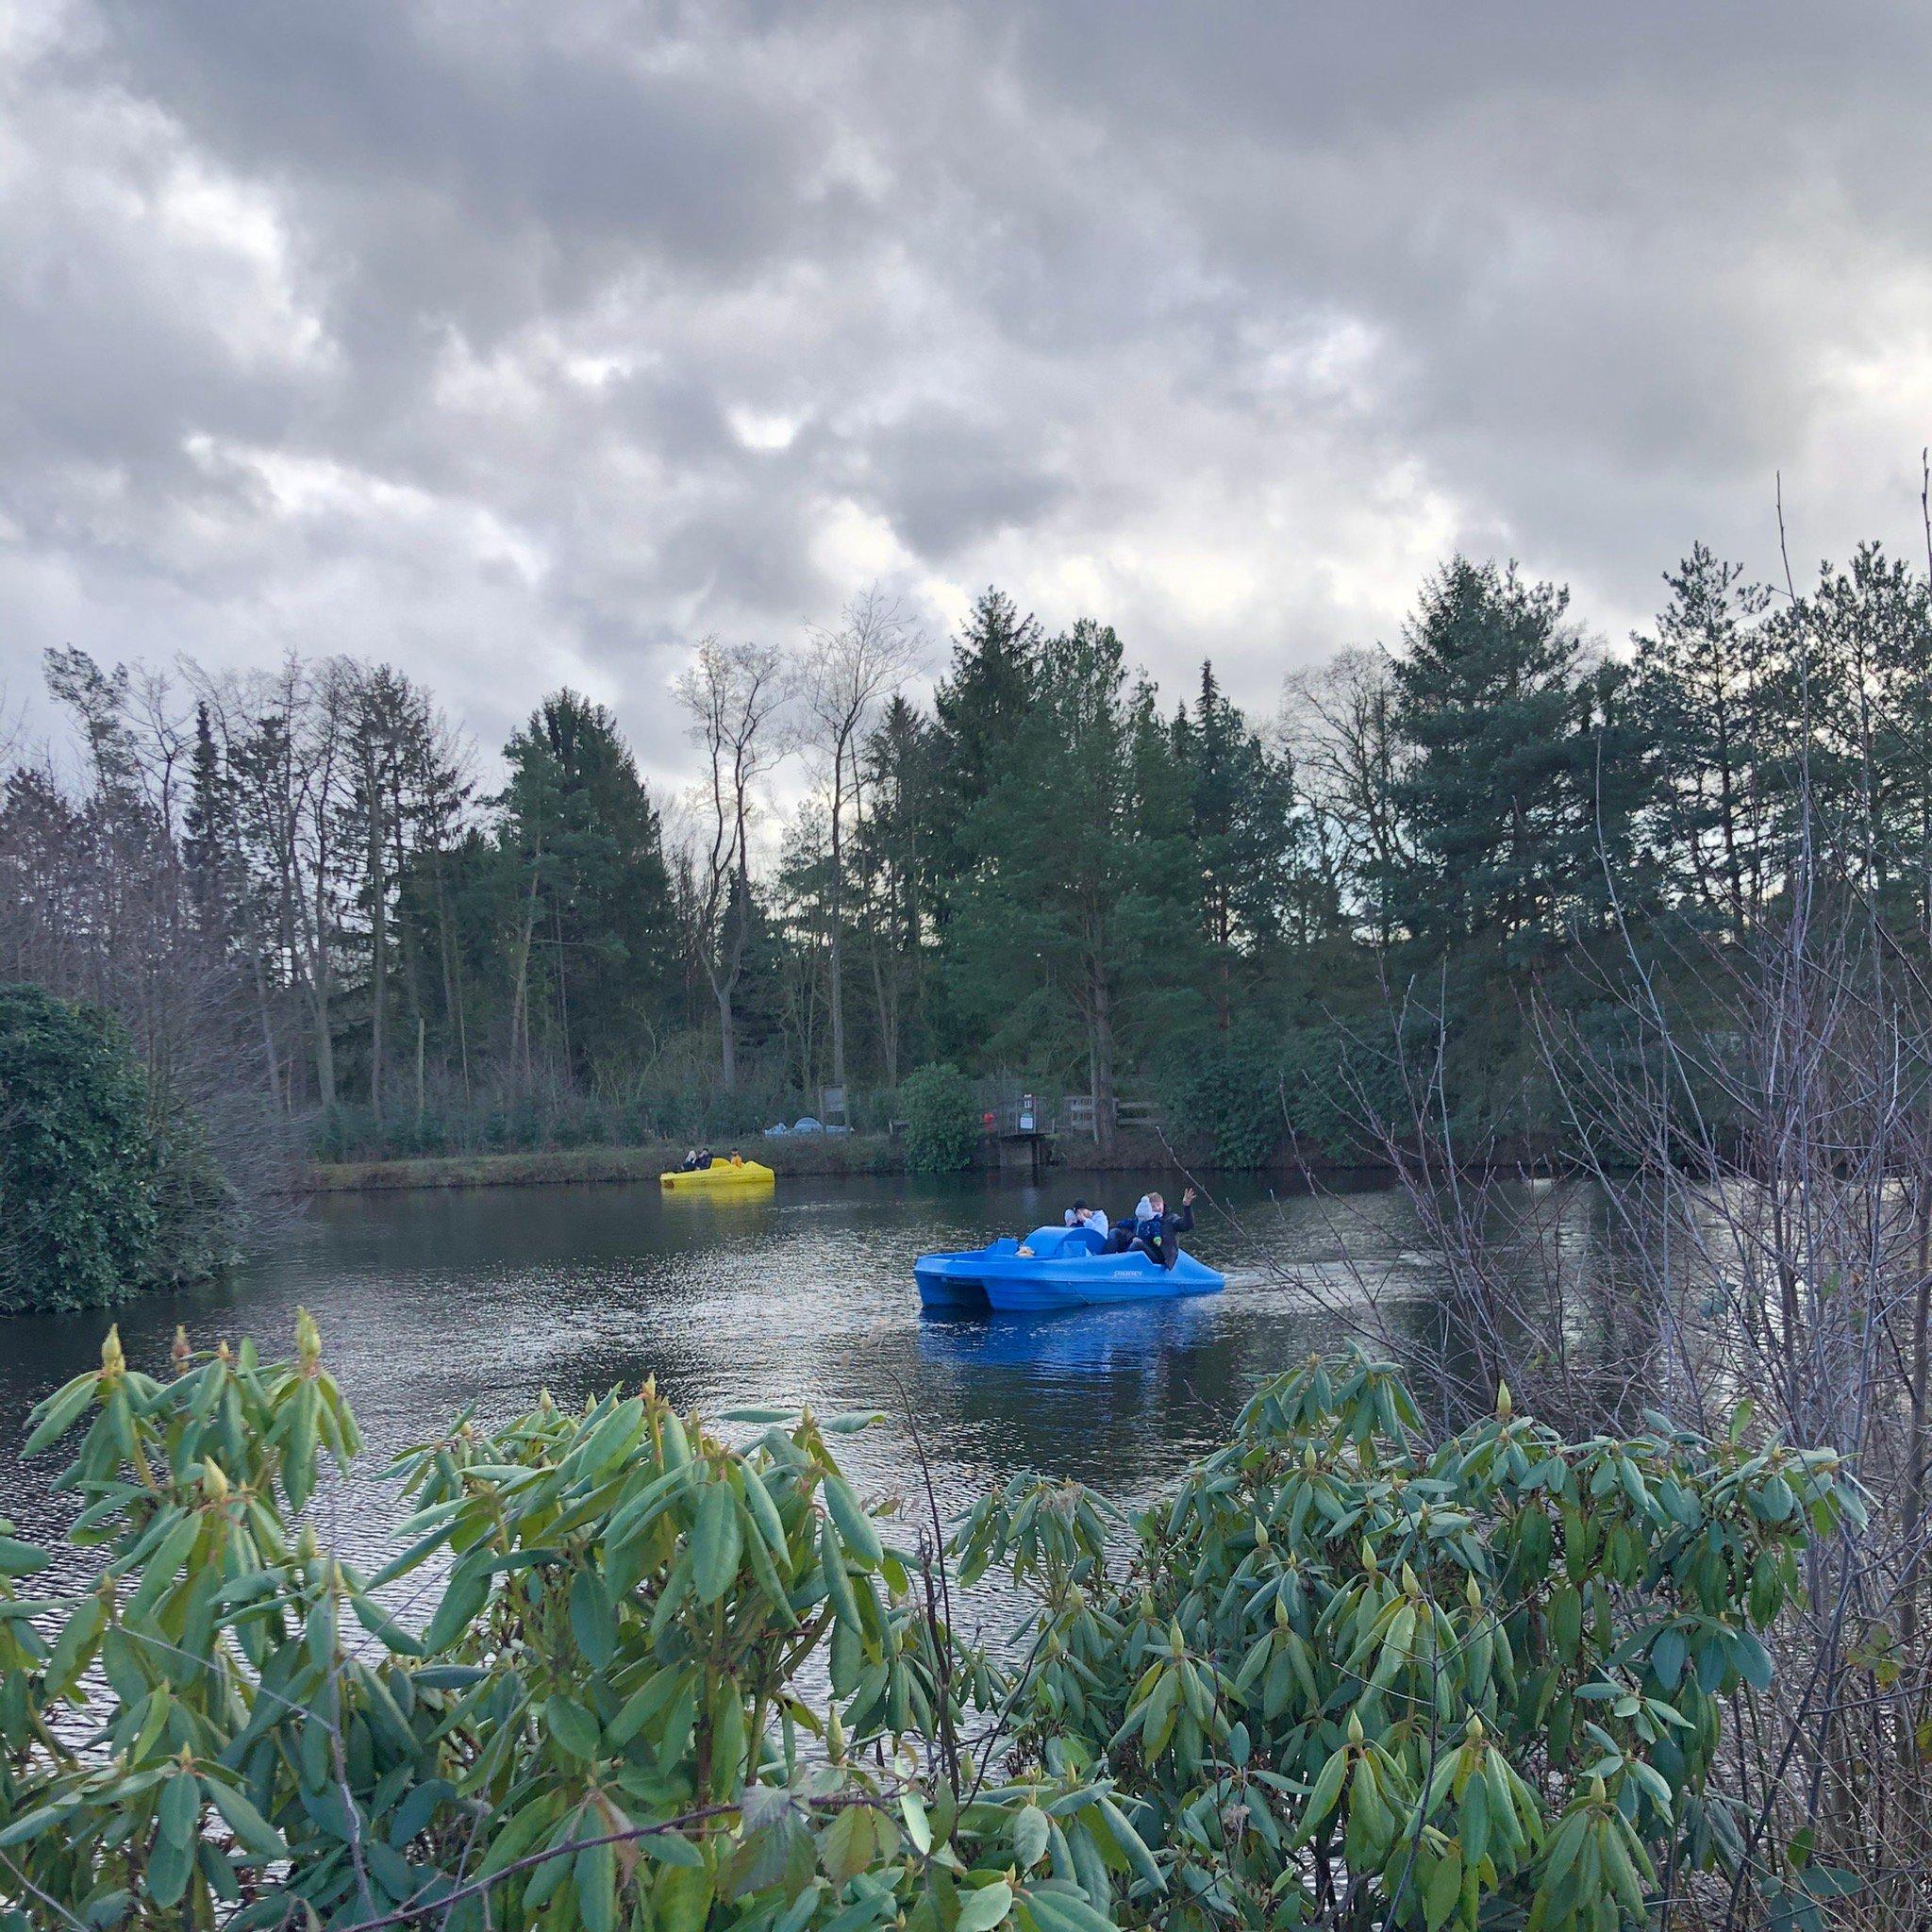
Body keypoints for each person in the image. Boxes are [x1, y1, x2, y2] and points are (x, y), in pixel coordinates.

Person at [1110, 1188, 1197, 1268]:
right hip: (1145, 1247)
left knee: (1136, 1245)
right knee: (1114, 1232)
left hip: (1161, 1255)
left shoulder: (1171, 1219)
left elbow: (1187, 1225)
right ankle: (1105, 1259)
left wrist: (1187, 1206)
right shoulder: (1143, 1218)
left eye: (1159, 1205)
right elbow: (1128, 1228)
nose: (1157, 1208)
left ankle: (1119, 1266)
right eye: (1153, 1207)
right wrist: (1133, 1237)